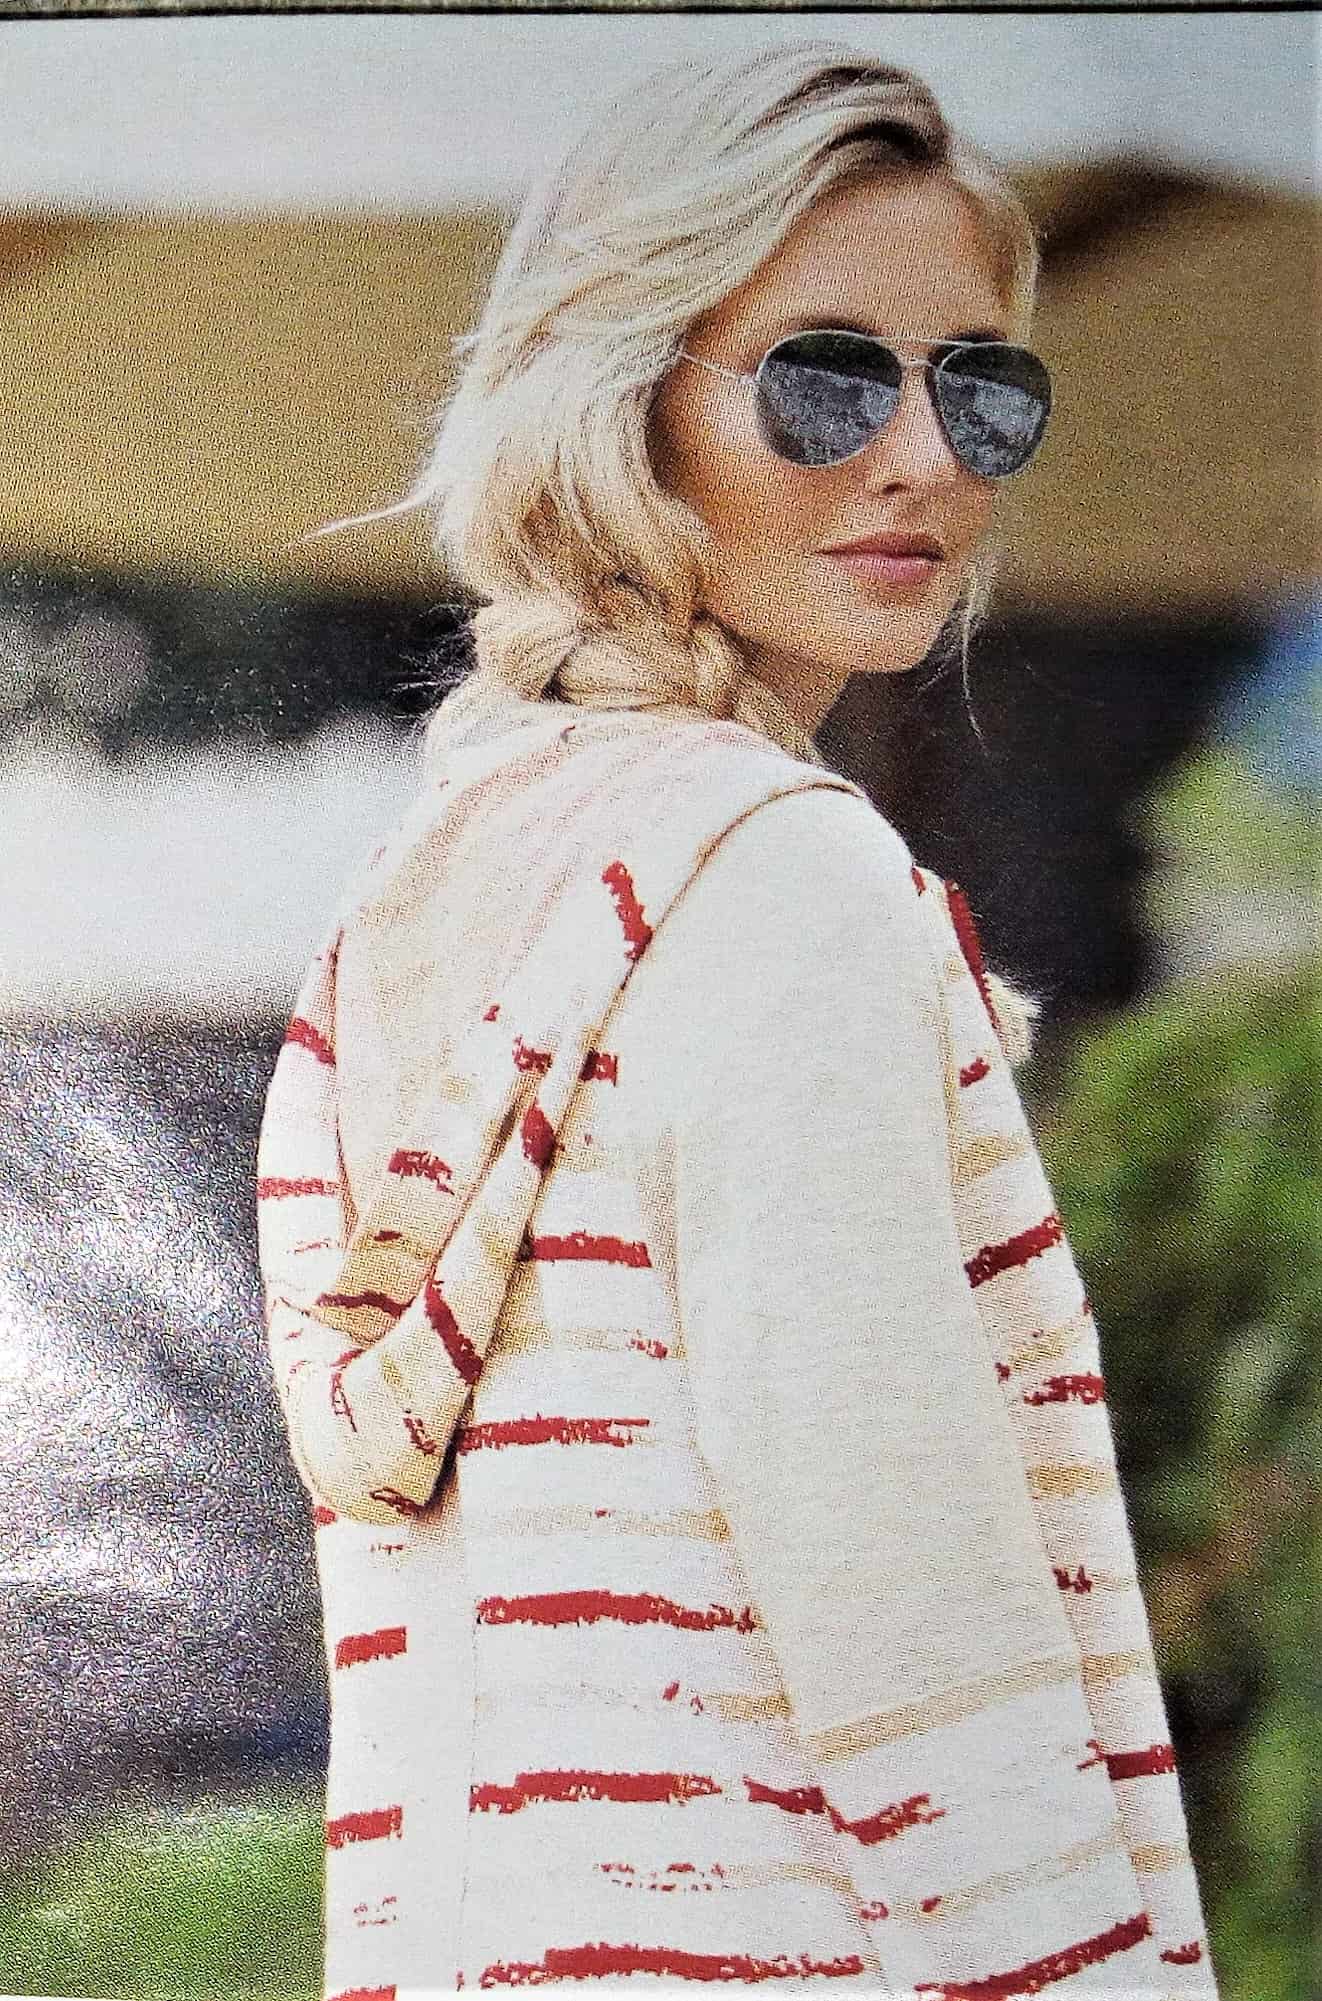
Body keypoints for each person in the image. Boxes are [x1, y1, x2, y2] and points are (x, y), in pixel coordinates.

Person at [256, 42, 1218, 1999]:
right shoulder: (781, 881)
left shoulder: (432, 889)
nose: (926, 456)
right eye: (825, 377)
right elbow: (907, 1623)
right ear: (617, 401)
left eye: (984, 386)